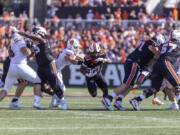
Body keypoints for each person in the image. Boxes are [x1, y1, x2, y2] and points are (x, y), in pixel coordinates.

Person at [102, 34, 165, 110]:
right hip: (134, 63)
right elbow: (158, 55)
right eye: (161, 45)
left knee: (131, 85)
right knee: (126, 84)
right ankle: (108, 98)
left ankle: (118, 101)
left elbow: (150, 61)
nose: (161, 47)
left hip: (134, 62)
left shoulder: (148, 42)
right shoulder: (153, 44)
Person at [15, 26, 65, 109]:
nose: (34, 34)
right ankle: (46, 99)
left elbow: (34, 37)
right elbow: (32, 56)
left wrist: (24, 34)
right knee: (39, 84)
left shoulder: (43, 40)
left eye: (35, 33)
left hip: (49, 64)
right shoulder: (36, 45)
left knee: (54, 85)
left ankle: (63, 101)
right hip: (41, 67)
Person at [129, 30, 180, 111]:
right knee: (177, 83)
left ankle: (137, 100)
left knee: (155, 88)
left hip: (157, 64)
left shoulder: (165, 43)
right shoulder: (178, 43)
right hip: (166, 63)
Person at [0, 28, 42, 109]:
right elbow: (26, 52)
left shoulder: (19, 40)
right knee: (37, 81)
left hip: (12, 67)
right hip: (20, 66)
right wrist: (33, 47)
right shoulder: (18, 38)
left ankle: (14, 102)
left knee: (7, 89)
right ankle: (36, 103)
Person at [49, 38, 84, 109]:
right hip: (54, 67)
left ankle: (53, 103)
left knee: (59, 87)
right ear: (72, 47)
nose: (77, 49)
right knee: (61, 87)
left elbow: (81, 57)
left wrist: (87, 59)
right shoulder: (68, 51)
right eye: (76, 47)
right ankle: (59, 101)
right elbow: (72, 60)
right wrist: (82, 62)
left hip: (57, 68)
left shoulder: (70, 51)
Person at [80, 43, 112, 110]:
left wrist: (103, 60)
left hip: (98, 74)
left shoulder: (102, 54)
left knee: (105, 89)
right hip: (90, 77)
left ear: (98, 51)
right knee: (94, 94)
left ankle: (106, 103)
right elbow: (81, 69)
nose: (94, 54)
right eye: (92, 53)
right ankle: (94, 86)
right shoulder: (87, 59)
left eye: (95, 53)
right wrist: (87, 73)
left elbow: (110, 61)